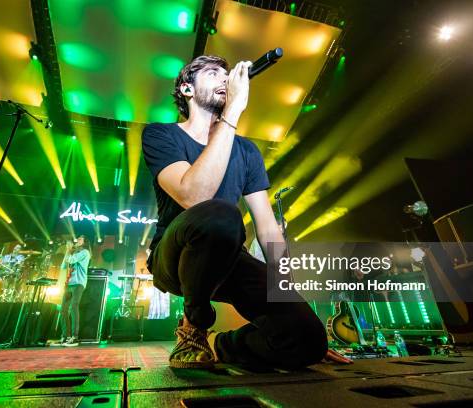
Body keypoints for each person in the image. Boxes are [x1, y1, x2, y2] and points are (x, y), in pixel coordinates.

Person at [142, 55, 351, 369]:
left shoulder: (246, 150)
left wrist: (288, 297)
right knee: (221, 215)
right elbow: (193, 196)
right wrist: (234, 110)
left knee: (307, 339)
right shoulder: (162, 135)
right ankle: (194, 327)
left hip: (227, 254)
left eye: (226, 75)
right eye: (213, 73)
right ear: (187, 89)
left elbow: (267, 228)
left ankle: (218, 344)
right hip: (176, 255)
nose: (224, 80)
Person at [53, 235, 91, 347]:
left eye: (79, 239)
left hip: (79, 283)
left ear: (84, 242)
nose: (77, 240)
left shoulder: (85, 252)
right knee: (63, 310)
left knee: (73, 306)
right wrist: (67, 251)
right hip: (69, 283)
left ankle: (75, 337)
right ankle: (66, 336)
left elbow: (71, 260)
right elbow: (63, 265)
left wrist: (69, 250)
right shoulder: (73, 253)